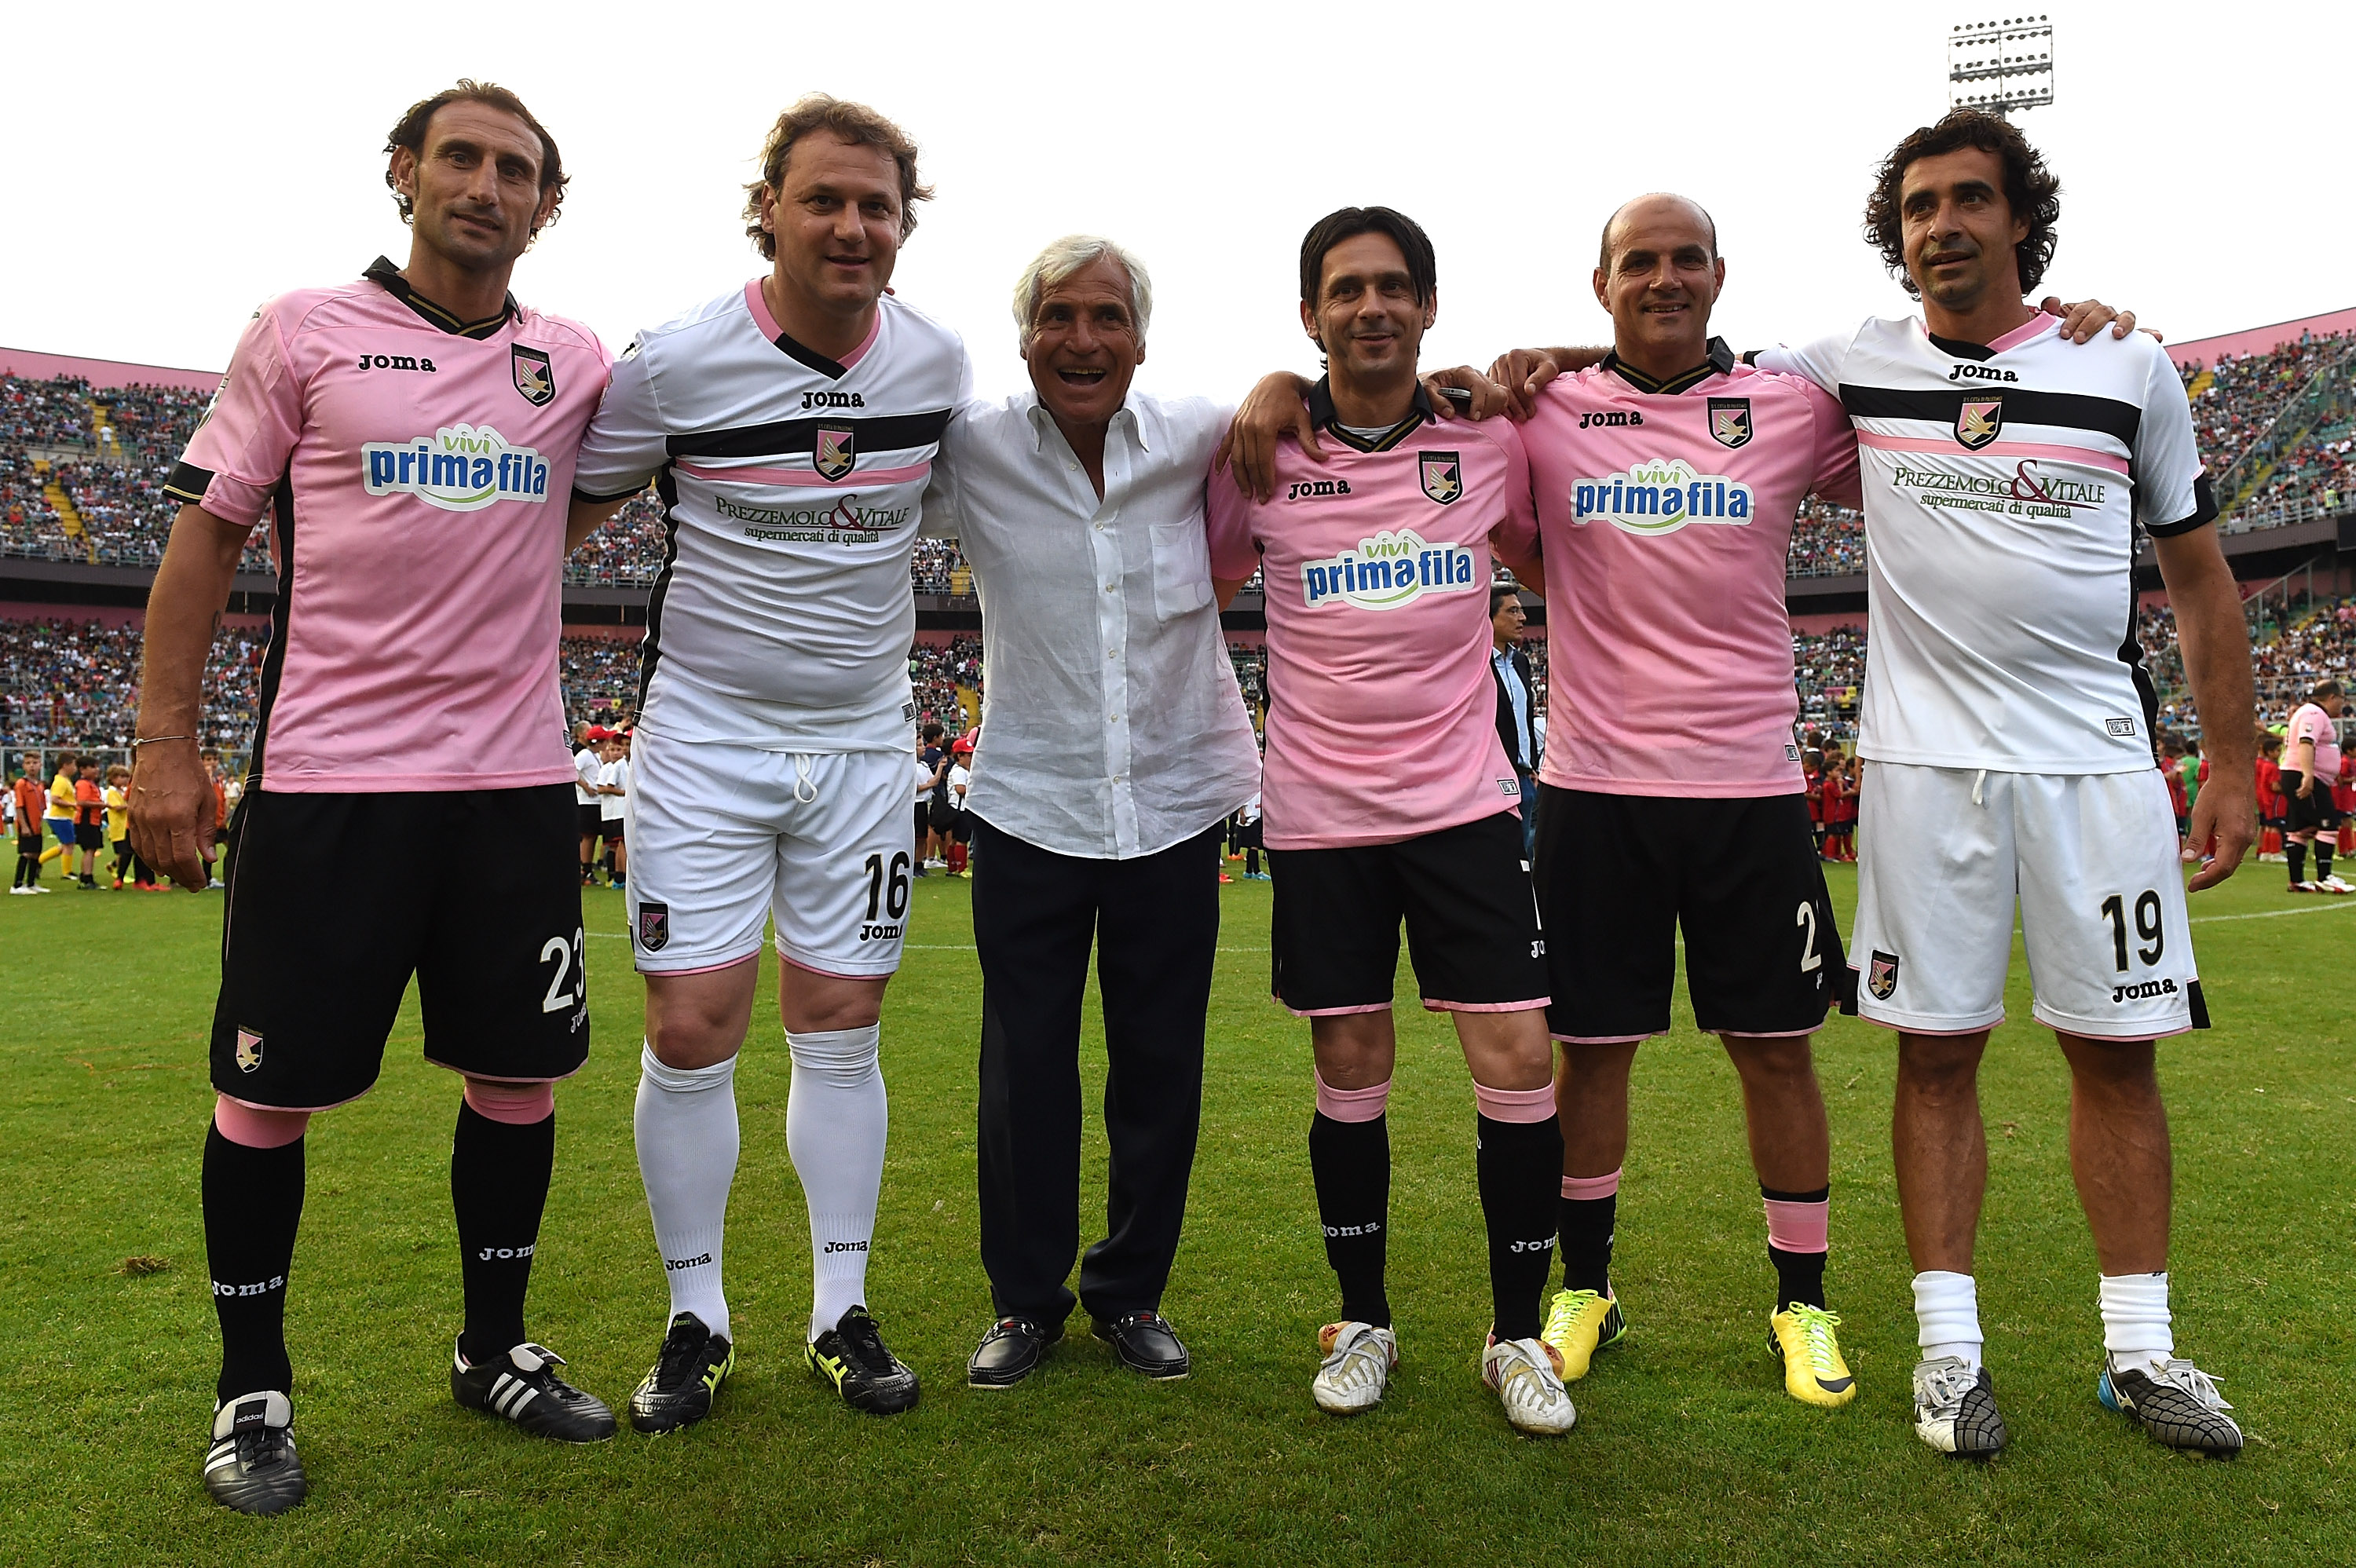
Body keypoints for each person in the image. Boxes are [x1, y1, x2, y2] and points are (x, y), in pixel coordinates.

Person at [131, 79, 619, 1516]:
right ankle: (253, 1388)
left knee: (517, 1077)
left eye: (515, 168)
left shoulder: (573, 361)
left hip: (517, 787)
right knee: (268, 1095)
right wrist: (167, 747)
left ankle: (494, 1346)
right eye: (458, 158)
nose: (485, 184)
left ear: (547, 203)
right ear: (402, 173)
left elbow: (594, 485)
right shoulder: (303, 331)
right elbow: (207, 540)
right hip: (332, 784)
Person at [1750, 109, 2257, 1457]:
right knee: (1936, 1057)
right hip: (1925, 775)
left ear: (2022, 219)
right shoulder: (1848, 365)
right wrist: (1555, 357)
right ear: (1895, 234)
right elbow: (1678, 374)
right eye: (1919, 207)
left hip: (2097, 768)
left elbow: (2201, 581)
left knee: (2118, 1057)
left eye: (1971, 199)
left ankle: (2141, 1355)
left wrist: (2233, 764)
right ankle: (1948, 1356)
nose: (1943, 224)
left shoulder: (2127, 361)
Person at [1429, 193, 1873, 1413]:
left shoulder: (1790, 410)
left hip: (1750, 791)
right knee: (1594, 1050)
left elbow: (1927, 418)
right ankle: (1589, 1289)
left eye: (1686, 260)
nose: (1664, 279)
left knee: (1778, 1051)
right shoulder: (1546, 415)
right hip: (1595, 790)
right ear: (1600, 282)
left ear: (1722, 276)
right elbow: (1442, 423)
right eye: (1641, 262)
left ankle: (1803, 1302)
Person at [567, 94, 966, 1430]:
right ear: (770, 211)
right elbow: (561, 514)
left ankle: (839, 1311)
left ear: (904, 227)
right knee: (691, 1030)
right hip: (705, 744)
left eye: (877, 205)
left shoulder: (940, 364)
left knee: (840, 1028)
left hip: (864, 745)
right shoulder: (676, 364)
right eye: (825, 199)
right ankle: (696, 1316)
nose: (853, 225)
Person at [1205, 207, 1574, 1435]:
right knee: (1348, 1067)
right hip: (1322, 817)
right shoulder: (1256, 454)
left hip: (1466, 808)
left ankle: (1516, 1332)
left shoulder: (1486, 442)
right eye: (1346, 290)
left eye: (1394, 288)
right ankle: (1362, 1315)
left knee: (1519, 1063)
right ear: (1311, 314)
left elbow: (1548, 540)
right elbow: (1200, 587)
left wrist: (1526, 376)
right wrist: (1265, 396)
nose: (1372, 308)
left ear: (1427, 306)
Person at [919, 235, 1260, 1390]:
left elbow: (1308, 411)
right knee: (1025, 1070)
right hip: (1031, 796)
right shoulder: (969, 446)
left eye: (1106, 317)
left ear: (1141, 339)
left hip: (1172, 797)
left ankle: (1130, 1293)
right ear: (1024, 337)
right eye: (1058, 316)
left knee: (1160, 1061)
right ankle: (1025, 1302)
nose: (1082, 339)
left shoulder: (1199, 435)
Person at [1489, 586, 1540, 863]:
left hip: (1523, 778)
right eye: (1513, 611)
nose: (1522, 617)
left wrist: (1530, 763)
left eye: (1521, 609)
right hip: (1493, 779)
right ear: (1491, 618)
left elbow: (1526, 715)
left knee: (1525, 857)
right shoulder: (1476, 663)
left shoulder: (1520, 661)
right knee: (1500, 860)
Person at [2282, 680, 2347, 893]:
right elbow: (2306, 742)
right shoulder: (2314, 714)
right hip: (2307, 776)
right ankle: (2325, 876)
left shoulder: (2306, 712)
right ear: (2332, 697)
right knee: (2328, 824)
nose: (2342, 704)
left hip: (2299, 773)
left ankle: (2297, 880)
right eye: (2342, 699)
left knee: (2299, 829)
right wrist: (2309, 775)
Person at [573, 722, 606, 885]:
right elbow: (574, 771)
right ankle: (585, 870)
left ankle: (587, 868)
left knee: (592, 836)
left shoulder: (596, 756)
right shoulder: (584, 755)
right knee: (588, 837)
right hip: (587, 801)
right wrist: (586, 786)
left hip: (595, 801)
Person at [596, 731, 630, 890]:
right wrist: (625, 792)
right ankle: (619, 876)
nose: (621, 750)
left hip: (623, 809)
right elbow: (606, 787)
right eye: (617, 748)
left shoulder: (628, 764)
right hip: (619, 809)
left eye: (625, 746)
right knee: (621, 843)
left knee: (620, 844)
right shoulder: (618, 766)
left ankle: (619, 876)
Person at [10, 755, 46, 893]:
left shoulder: (40, 785)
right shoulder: (21, 784)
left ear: (40, 765)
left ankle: (31, 883)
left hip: (37, 824)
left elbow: (41, 806)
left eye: (35, 763)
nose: (32, 766)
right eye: (28, 763)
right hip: (27, 823)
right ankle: (17, 885)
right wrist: (24, 826)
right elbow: (19, 806)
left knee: (36, 853)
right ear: (23, 766)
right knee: (26, 853)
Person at [40, 752, 76, 876]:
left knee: (65, 844)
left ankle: (38, 862)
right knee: (69, 844)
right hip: (59, 817)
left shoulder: (65, 780)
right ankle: (67, 872)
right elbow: (55, 799)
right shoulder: (60, 781)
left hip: (63, 817)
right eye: (74, 765)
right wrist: (72, 805)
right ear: (65, 765)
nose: (75, 768)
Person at [74, 755, 107, 888]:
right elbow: (82, 802)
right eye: (93, 767)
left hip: (93, 820)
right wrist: (100, 805)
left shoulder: (90, 783)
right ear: (82, 770)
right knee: (89, 849)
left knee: (91, 849)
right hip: (86, 820)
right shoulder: (83, 784)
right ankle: (87, 878)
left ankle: (84, 876)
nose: (96, 770)